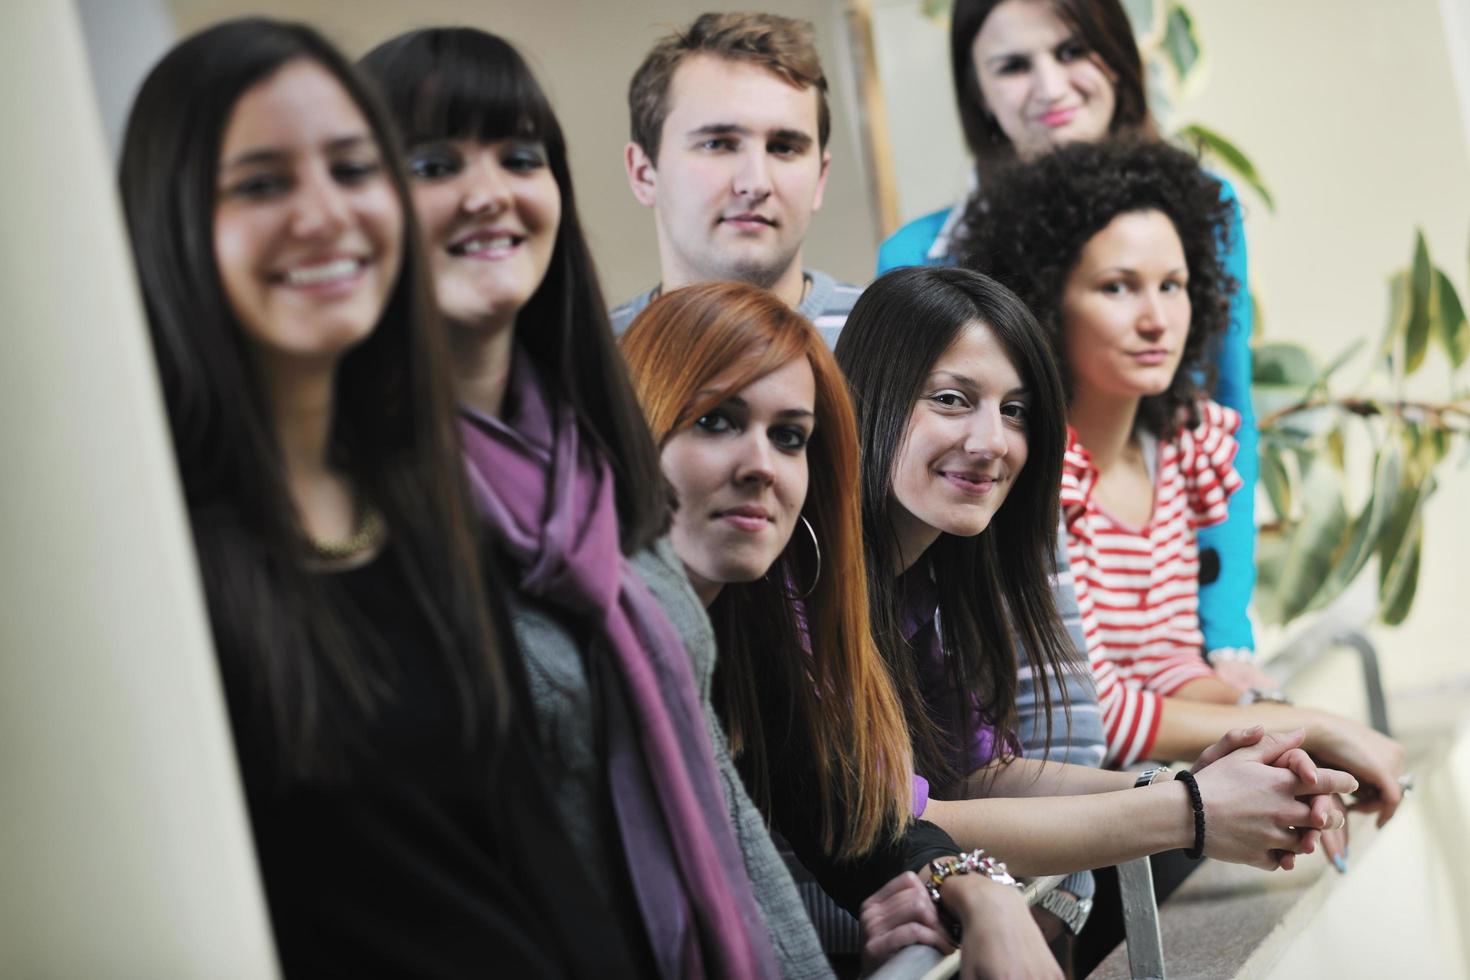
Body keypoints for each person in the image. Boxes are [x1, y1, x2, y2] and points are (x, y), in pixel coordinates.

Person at [118, 18, 620, 976]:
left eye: (353, 170)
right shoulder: (155, 556)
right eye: (262, 184)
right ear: (172, 218)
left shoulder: (418, 496)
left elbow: (531, 852)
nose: (326, 215)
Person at [360, 27, 830, 978]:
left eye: (520, 156)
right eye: (436, 161)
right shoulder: (367, 500)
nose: (489, 191)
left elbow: (719, 801)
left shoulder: (595, 450)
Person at [834, 267, 1360, 971]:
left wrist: (1182, 787)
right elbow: (894, 821)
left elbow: (977, 773)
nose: (992, 440)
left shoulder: (926, 576)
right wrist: (1193, 809)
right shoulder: (808, 580)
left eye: (1016, 410)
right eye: (953, 400)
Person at [963, 139, 1407, 848]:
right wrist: (1315, 727)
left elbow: (1168, 663)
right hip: (1054, 837)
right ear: (1046, 301)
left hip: (1153, 813)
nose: (1156, 319)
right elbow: (1098, 711)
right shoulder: (1030, 479)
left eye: (1172, 285)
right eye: (1117, 287)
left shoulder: (1176, 450)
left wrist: (1278, 730)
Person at [623, 281, 1065, 978]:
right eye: (715, 422)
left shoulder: (739, 636)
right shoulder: (598, 644)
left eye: (790, 437)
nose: (761, 465)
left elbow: (870, 829)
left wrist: (973, 886)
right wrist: (1186, 806)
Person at [878, 0, 1261, 681]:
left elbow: (1230, 406)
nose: (1050, 88)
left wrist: (1226, 633)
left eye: (1072, 50)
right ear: (979, 93)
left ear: (1119, 57)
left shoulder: (1206, 207)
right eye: (1014, 66)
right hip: (1007, 639)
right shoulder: (922, 254)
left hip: (1168, 620)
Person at [611, 12, 862, 344]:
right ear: (644, 174)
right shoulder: (584, 359)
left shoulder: (902, 341)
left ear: (820, 179)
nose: (756, 183)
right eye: (718, 144)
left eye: (784, 148)